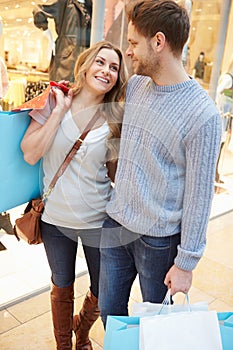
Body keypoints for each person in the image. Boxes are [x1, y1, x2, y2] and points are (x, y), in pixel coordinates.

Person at [98, 0, 222, 326]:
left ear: (158, 42)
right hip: (116, 223)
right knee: (109, 315)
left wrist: (187, 262)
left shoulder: (202, 114)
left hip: (158, 241)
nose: (128, 52)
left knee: (156, 328)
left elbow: (199, 196)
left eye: (133, 43)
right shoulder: (138, 85)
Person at [21, 40, 127, 350]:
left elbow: (114, 173)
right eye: (100, 62)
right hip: (55, 220)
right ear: (84, 65)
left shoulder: (113, 117)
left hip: (98, 220)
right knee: (61, 285)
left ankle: (82, 330)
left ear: (117, 78)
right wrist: (61, 111)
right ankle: (66, 346)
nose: (106, 70)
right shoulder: (54, 101)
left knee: (102, 288)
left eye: (114, 67)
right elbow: (30, 154)